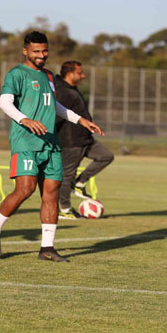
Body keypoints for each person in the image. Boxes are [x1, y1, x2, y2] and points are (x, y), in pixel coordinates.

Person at [0, 31, 104, 262]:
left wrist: (80, 119)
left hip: (51, 143)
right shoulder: (17, 74)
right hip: (26, 142)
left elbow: (54, 104)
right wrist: (24, 120)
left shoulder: (49, 75)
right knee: (25, 190)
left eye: (44, 51)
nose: (41, 55)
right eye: (36, 51)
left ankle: (47, 248)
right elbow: (4, 102)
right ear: (25, 51)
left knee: (51, 194)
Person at [54, 61, 114, 219]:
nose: (83, 76)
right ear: (70, 73)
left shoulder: (72, 89)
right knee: (67, 175)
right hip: (70, 140)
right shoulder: (62, 91)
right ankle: (65, 210)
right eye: (80, 73)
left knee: (106, 156)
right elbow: (56, 115)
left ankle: (79, 183)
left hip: (85, 138)